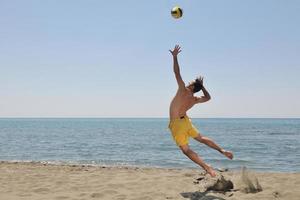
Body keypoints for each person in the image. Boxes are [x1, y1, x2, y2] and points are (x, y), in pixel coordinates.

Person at [168, 45, 233, 177]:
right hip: (186, 121)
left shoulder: (182, 90)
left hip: (177, 123)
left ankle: (206, 167)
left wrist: (175, 57)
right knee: (201, 138)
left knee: (186, 150)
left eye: (190, 82)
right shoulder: (195, 99)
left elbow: (177, 73)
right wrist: (202, 87)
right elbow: (208, 98)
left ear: (191, 86)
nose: (188, 83)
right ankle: (221, 150)